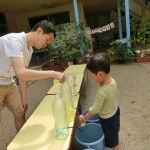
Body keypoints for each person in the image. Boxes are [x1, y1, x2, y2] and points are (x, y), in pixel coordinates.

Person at [0, 20, 65, 132]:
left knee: (20, 113)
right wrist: (52, 73)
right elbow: (21, 72)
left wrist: (24, 98)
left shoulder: (29, 50)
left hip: (9, 82)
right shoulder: (14, 40)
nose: (47, 44)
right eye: (47, 40)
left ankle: (21, 141)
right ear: (39, 31)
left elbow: (23, 75)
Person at [79, 56, 120, 150]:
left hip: (108, 118)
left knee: (114, 141)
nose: (92, 79)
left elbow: (95, 109)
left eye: (92, 76)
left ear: (100, 74)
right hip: (115, 110)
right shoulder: (113, 81)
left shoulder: (102, 92)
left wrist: (84, 118)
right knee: (114, 132)